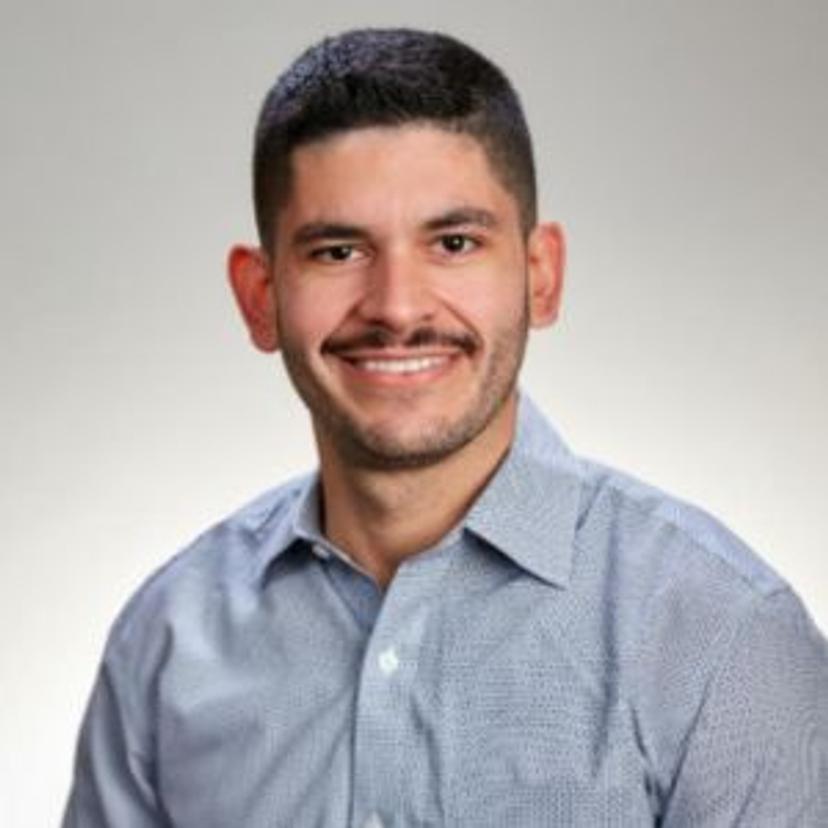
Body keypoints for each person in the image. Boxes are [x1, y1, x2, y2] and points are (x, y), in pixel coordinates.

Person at [63, 28, 827, 827]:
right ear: (260, 298)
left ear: (541, 277)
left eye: (454, 243)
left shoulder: (721, 637)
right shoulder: (166, 641)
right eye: (337, 251)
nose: (397, 306)